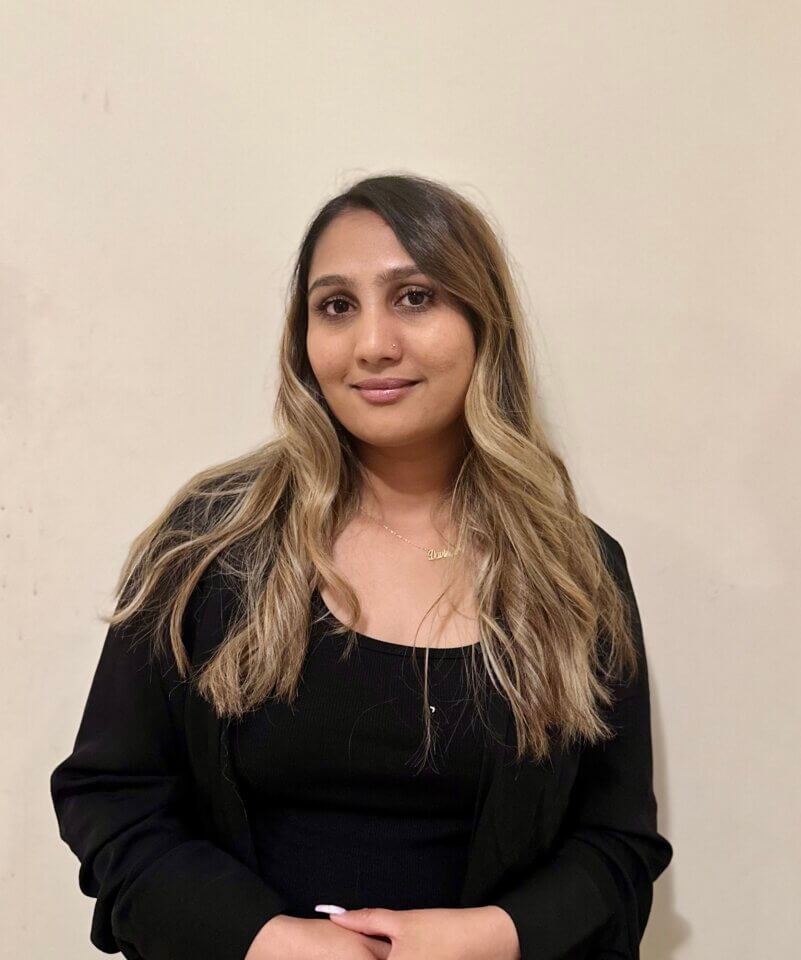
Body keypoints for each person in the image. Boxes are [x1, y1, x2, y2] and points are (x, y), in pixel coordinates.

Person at [50, 173, 673, 960]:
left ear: (484, 323)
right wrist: (265, 941)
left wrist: (489, 938)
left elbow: (614, 845)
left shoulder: (575, 570)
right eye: (336, 305)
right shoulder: (211, 544)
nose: (373, 343)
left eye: (414, 297)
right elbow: (110, 799)